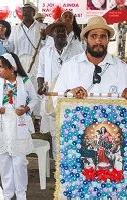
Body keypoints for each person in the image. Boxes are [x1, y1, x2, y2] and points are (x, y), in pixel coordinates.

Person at [0, 52, 38, 200]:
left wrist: (26, 109)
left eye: (2, 67)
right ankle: (7, 192)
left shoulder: (25, 81)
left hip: (19, 124)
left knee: (19, 162)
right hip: (2, 124)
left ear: (12, 68)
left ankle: (21, 193)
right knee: (3, 161)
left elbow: (34, 99)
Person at [53, 16, 127, 103]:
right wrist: (69, 94)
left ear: (108, 40)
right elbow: (56, 100)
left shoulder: (121, 67)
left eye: (103, 36)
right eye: (93, 36)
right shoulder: (70, 66)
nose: (98, 41)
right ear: (85, 38)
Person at [37, 20, 83, 158]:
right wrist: (40, 86)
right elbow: (40, 73)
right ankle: (58, 166)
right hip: (52, 97)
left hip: (71, 98)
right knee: (55, 132)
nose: (61, 33)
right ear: (52, 34)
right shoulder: (45, 51)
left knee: (71, 131)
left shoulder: (77, 50)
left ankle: (71, 162)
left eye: (63, 31)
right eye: (58, 31)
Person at [9, 2, 46, 131]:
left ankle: (37, 119)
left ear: (33, 13)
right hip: (20, 61)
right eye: (23, 12)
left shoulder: (41, 27)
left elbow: (45, 46)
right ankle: (23, 117)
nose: (24, 14)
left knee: (35, 89)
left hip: (36, 61)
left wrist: (45, 37)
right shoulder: (15, 29)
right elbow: (11, 47)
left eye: (28, 11)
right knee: (21, 89)